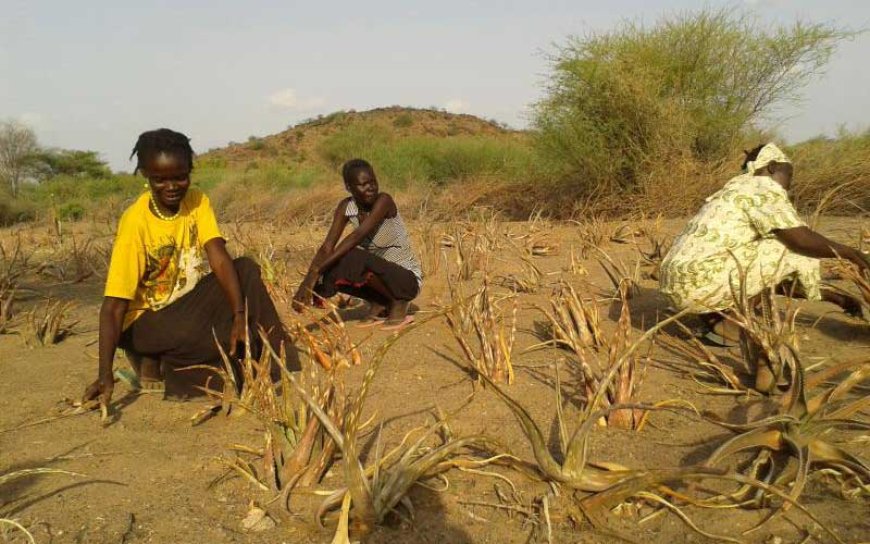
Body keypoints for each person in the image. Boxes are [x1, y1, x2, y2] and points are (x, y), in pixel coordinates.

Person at [83, 128, 295, 406]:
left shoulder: (196, 201)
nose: (171, 186)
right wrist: (104, 374)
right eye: (160, 179)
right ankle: (162, 363)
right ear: (145, 175)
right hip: (143, 323)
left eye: (180, 177)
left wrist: (239, 314)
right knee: (207, 337)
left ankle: (268, 358)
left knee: (245, 269)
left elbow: (218, 257)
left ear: (190, 172)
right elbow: (113, 306)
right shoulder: (136, 222)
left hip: (182, 305)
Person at [660, 142, 869, 343]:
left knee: (773, 252)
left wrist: (836, 298)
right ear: (771, 167)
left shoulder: (733, 188)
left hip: (675, 285)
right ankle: (735, 324)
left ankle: (718, 323)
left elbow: (767, 279)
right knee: (791, 248)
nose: (789, 184)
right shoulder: (762, 186)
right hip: (702, 281)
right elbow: (801, 242)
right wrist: (850, 253)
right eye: (789, 175)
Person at [293, 159, 422, 330]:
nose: (371, 188)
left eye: (373, 182)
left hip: (406, 280)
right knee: (332, 266)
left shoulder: (384, 201)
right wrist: (308, 281)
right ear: (349, 187)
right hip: (381, 277)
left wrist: (317, 271)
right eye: (363, 185)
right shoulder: (346, 207)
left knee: (350, 255)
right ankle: (379, 302)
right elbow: (327, 247)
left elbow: (357, 236)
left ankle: (398, 302)